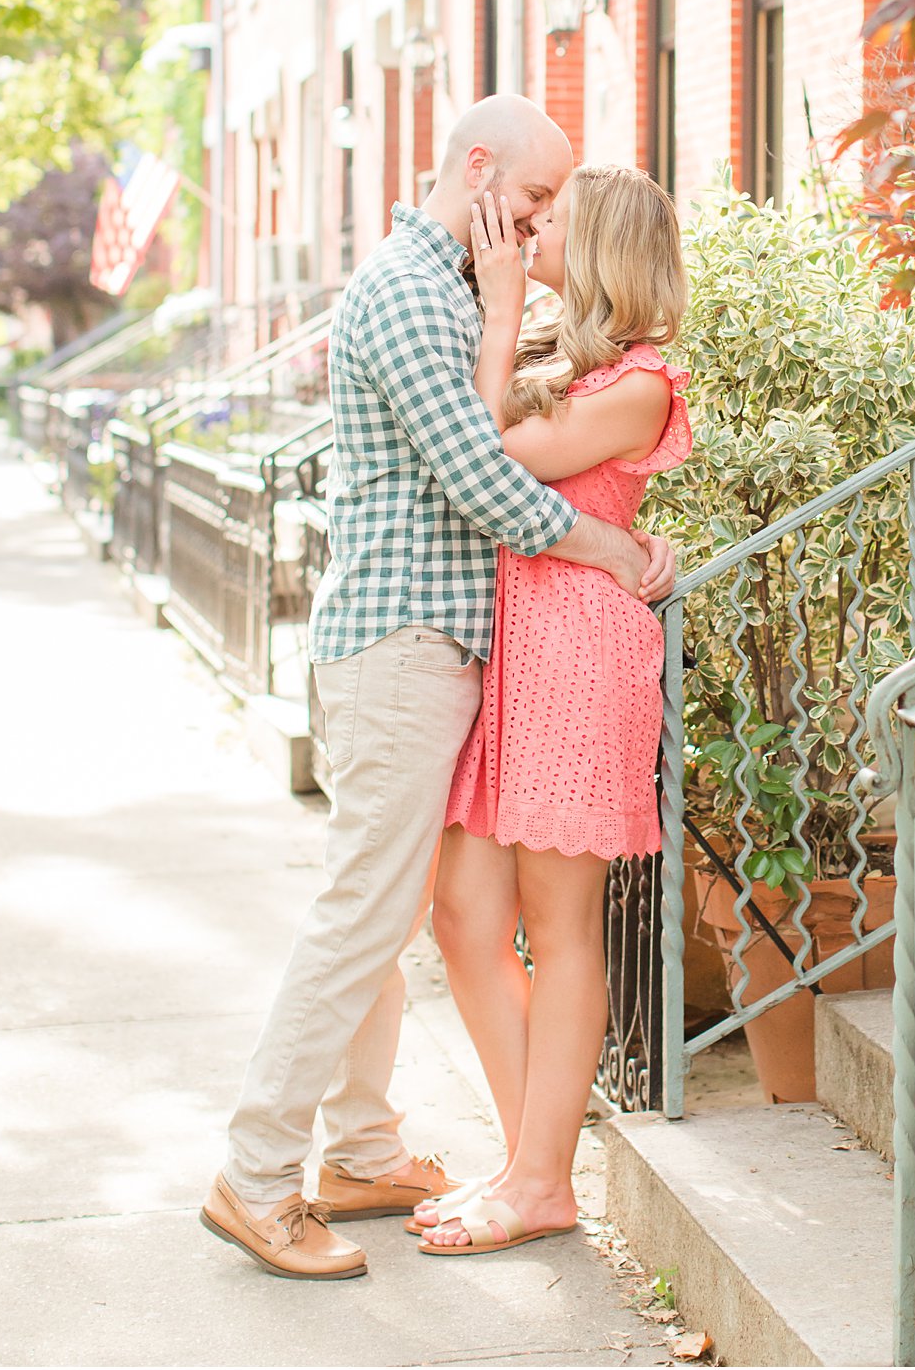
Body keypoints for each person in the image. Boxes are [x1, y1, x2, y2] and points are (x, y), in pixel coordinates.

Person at [201, 99, 676, 1280]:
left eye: (551, 215)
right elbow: (479, 467)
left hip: (474, 650)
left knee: (394, 908)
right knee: (371, 910)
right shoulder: (419, 294)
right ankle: (257, 1176)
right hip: (406, 645)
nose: (529, 225)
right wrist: (611, 547)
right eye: (529, 200)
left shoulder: (457, 288)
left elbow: (510, 433)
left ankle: (361, 1148)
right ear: (479, 171)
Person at [413, 162, 690, 1259]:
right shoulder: (563, 363)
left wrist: (492, 315)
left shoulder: (642, 384)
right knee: (465, 916)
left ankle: (538, 1180)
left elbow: (482, 461)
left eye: (549, 224)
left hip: (578, 650)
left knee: (558, 923)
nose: (525, 236)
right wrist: (504, 323)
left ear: (600, 251)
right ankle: (533, 1160)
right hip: (515, 650)